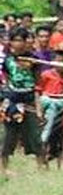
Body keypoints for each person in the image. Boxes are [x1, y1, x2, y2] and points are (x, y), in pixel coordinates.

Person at [0, 28, 45, 176]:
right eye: (15, 40)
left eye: (21, 40)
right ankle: (3, 168)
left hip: (29, 100)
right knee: (8, 136)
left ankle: (41, 168)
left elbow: (38, 85)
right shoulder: (7, 60)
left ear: (27, 42)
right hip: (11, 101)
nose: (18, 43)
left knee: (35, 136)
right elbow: (5, 80)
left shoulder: (34, 61)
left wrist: (39, 108)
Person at [37, 48, 63, 158]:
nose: (60, 64)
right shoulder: (46, 74)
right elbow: (39, 89)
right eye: (58, 61)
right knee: (51, 112)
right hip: (48, 100)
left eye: (62, 61)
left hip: (61, 102)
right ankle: (43, 141)